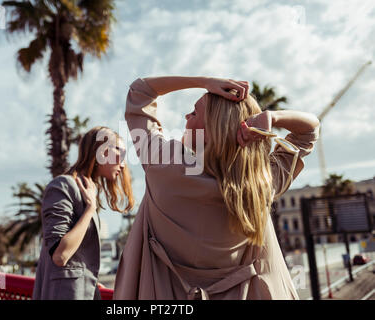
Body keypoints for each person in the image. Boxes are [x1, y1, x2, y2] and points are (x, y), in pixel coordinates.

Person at [113, 76, 320, 300]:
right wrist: (272, 117)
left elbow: (141, 91)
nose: (186, 116)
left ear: (212, 126)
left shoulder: (165, 166)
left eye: (194, 113)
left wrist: (205, 82)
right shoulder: (259, 184)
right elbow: (309, 131)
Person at [32, 126, 134, 300]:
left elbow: (77, 260)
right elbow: (60, 255)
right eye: (120, 153)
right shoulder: (62, 186)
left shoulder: (87, 190)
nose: (123, 164)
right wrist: (90, 210)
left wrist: (89, 280)